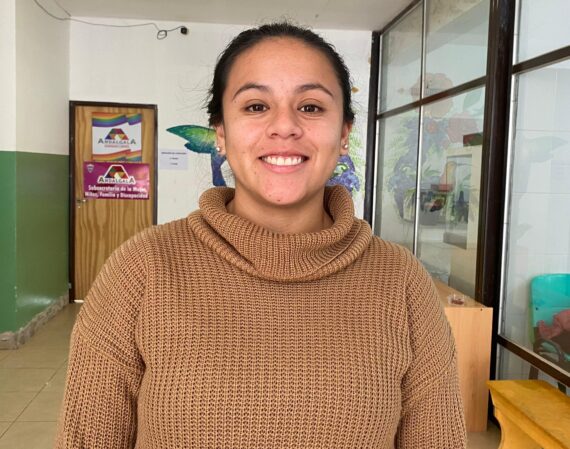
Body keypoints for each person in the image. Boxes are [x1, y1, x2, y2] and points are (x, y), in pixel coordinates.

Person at [55, 22, 466, 448]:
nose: (284, 126)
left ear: (344, 134)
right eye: (255, 106)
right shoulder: (144, 268)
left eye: (311, 107)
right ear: (221, 133)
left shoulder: (400, 281)